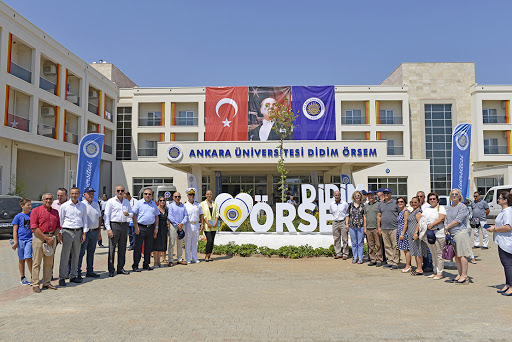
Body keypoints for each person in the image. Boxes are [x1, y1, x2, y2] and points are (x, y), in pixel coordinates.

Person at [30, 193, 62, 293]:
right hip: (39, 238)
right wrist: (45, 238)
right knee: (37, 262)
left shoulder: (55, 212)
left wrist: (52, 237)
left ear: (53, 201)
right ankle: (35, 284)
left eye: (50, 199)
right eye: (46, 199)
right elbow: (34, 227)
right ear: (42, 200)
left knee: (49, 263)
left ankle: (47, 282)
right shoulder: (36, 211)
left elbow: (58, 226)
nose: (48, 201)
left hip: (51, 238)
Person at [58, 187, 88, 286]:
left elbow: (85, 220)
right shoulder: (64, 206)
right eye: (72, 193)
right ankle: (62, 277)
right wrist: (60, 233)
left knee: (76, 255)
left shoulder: (82, 206)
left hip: (78, 232)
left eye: (76, 193)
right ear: (69, 195)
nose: (74, 195)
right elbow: (61, 220)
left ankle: (73, 276)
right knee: (65, 256)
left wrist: (84, 233)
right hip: (67, 232)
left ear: (79, 194)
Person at [104, 185, 133, 277]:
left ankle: (120, 268)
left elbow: (132, 213)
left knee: (122, 248)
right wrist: (108, 229)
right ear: (115, 191)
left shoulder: (126, 202)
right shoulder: (111, 201)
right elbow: (106, 216)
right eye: (118, 190)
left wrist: (128, 214)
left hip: (124, 225)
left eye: (122, 190)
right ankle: (111, 269)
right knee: (112, 249)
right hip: (114, 225)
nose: (120, 192)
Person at [486, 192, 512, 296]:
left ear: (505, 200)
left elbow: (508, 227)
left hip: (506, 243)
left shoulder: (507, 212)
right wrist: (492, 226)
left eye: (499, 198)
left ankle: (511, 287)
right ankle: (507, 284)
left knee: (508, 265)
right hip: (502, 242)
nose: (497, 200)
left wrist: (495, 229)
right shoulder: (504, 211)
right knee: (506, 265)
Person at [445, 188, 471, 284]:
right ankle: (459, 274)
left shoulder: (462, 206)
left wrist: (447, 227)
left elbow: (458, 220)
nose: (454, 196)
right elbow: (447, 219)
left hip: (460, 232)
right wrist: (446, 228)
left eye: (456, 194)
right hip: (452, 233)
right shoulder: (450, 207)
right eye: (452, 194)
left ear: (459, 196)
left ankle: (465, 275)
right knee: (456, 255)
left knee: (462, 254)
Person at [132, 188, 159, 272]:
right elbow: (133, 215)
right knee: (138, 248)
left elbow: (156, 216)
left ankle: (146, 264)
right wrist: (136, 227)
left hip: (150, 228)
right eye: (146, 194)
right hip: (140, 227)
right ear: (143, 194)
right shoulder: (138, 203)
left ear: (152, 195)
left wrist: (156, 227)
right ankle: (135, 265)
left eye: (149, 194)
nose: (147, 195)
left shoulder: (153, 204)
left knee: (148, 248)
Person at [77, 187, 102, 278]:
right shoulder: (82, 205)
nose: (91, 195)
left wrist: (99, 232)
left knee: (91, 253)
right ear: (84, 195)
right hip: (85, 233)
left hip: (94, 232)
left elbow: (99, 218)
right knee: (81, 253)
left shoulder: (96, 205)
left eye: (92, 193)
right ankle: (78, 272)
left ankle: (90, 271)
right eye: (89, 193)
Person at [421, 192, 447, 279]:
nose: (432, 200)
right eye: (430, 199)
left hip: (439, 233)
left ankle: (439, 272)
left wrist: (431, 225)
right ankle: (435, 271)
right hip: (429, 234)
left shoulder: (441, 208)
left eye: (434, 199)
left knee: (439, 253)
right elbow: (422, 218)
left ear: (437, 200)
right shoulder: (427, 209)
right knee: (433, 253)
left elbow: (441, 218)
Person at [11, 198, 33, 285]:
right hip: (21, 240)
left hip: (30, 239)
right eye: (28, 205)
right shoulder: (18, 216)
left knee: (28, 257)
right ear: (22, 206)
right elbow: (15, 230)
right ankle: (23, 277)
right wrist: (15, 242)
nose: (30, 206)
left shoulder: (32, 215)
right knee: (21, 259)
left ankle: (33, 277)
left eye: (30, 205)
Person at [377, 188, 400, 269]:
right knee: (387, 246)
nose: (386, 194)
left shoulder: (395, 203)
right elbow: (379, 216)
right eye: (385, 193)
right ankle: (390, 261)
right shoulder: (380, 204)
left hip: (394, 228)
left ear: (391, 194)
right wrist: (379, 227)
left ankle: (396, 262)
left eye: (387, 193)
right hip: (384, 228)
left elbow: (400, 214)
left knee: (395, 246)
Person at [409, 197, 428, 275]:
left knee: (418, 252)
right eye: (412, 202)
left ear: (419, 203)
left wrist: (416, 233)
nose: (413, 204)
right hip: (412, 235)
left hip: (416, 235)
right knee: (416, 252)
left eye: (415, 202)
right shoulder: (413, 211)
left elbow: (419, 223)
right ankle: (418, 268)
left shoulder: (418, 212)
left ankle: (419, 269)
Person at [167, 192, 188, 266]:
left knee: (180, 244)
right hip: (173, 226)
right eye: (176, 196)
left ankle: (179, 259)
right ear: (173, 197)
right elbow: (170, 216)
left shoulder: (183, 206)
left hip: (181, 226)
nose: (177, 198)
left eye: (179, 196)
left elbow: (186, 216)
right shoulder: (170, 206)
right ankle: (170, 260)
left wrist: (182, 223)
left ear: (180, 197)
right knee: (172, 244)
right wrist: (177, 224)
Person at [184, 188, 203, 264]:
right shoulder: (185, 205)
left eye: (193, 194)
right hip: (188, 224)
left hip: (196, 224)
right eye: (190, 194)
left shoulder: (198, 204)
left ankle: (195, 258)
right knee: (188, 242)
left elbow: (201, 214)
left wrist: (202, 224)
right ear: (187, 196)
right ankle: (188, 258)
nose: (191, 196)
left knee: (195, 242)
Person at [364, 191, 383, 266]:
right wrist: (365, 228)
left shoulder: (378, 204)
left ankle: (379, 260)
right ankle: (373, 259)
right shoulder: (366, 206)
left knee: (378, 245)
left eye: (372, 195)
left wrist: (379, 228)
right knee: (371, 245)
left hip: (376, 228)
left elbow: (380, 216)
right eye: (369, 195)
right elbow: (365, 217)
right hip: (368, 228)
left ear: (375, 196)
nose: (370, 197)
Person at [329, 190, 349, 260]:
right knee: (336, 238)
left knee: (345, 239)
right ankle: (338, 253)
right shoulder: (332, 204)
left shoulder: (344, 204)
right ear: (334, 196)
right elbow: (332, 212)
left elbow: (347, 213)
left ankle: (345, 254)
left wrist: (347, 223)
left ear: (340, 195)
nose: (337, 196)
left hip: (343, 222)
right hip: (335, 222)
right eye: (336, 195)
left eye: (338, 195)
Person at [200, 190, 219, 262]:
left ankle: (210, 255)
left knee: (212, 241)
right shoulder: (202, 204)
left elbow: (217, 213)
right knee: (209, 240)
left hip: (214, 225)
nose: (209, 195)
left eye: (210, 194)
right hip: (207, 225)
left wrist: (216, 222)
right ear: (205, 195)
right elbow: (203, 214)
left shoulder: (214, 203)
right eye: (207, 194)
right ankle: (206, 255)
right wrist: (207, 223)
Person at [417, 190, 434, 272]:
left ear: (424, 197)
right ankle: (425, 264)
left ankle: (429, 265)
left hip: (427, 230)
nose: (419, 198)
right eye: (418, 197)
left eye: (421, 196)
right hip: (421, 231)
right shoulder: (418, 206)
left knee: (428, 249)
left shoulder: (427, 206)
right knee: (423, 249)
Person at [346, 191, 365, 264]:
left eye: (358, 195)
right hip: (352, 226)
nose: (357, 197)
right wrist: (347, 224)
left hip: (360, 226)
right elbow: (347, 215)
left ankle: (360, 258)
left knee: (360, 242)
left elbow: (364, 216)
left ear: (360, 197)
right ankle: (355, 257)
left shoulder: (363, 206)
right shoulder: (350, 205)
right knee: (354, 243)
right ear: (353, 197)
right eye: (355, 196)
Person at [396, 197, 411, 272]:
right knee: (404, 250)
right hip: (401, 232)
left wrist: (402, 233)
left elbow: (406, 223)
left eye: (401, 201)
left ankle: (408, 266)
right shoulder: (401, 211)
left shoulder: (406, 212)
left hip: (404, 233)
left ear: (405, 202)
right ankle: (407, 265)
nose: (400, 203)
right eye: (398, 202)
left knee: (406, 250)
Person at [153, 196, 169, 267]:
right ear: (158, 201)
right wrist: (155, 230)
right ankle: (155, 262)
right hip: (157, 228)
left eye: (163, 200)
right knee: (156, 246)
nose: (162, 202)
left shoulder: (165, 209)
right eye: (161, 200)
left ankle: (159, 262)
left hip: (164, 229)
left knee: (161, 246)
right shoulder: (156, 209)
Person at [464, 199, 477, 264]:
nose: (466, 204)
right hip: (461, 229)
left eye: (467, 203)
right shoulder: (464, 210)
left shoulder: (468, 210)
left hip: (467, 228)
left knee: (468, 242)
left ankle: (472, 257)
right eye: (465, 203)